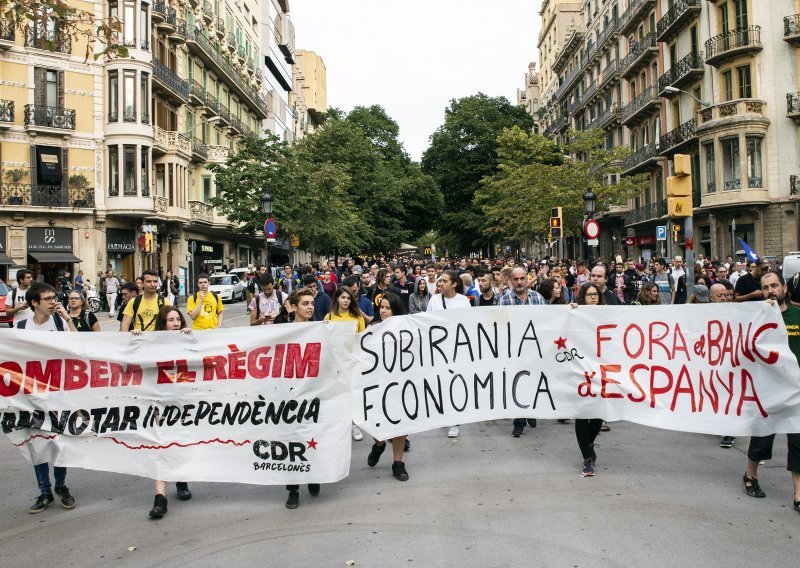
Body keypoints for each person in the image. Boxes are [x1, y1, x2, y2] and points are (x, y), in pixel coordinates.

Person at [742, 271, 800, 513]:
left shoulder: (798, 315)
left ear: (784, 288)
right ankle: (750, 474)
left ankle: (798, 492)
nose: (770, 291)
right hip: (767, 389)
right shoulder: (757, 318)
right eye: (765, 288)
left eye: (774, 285)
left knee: (798, 439)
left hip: (796, 389)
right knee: (763, 435)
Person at [18, 283, 77, 513]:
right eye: (48, 298)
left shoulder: (60, 323)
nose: (54, 301)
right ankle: (45, 492)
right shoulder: (21, 325)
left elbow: (81, 347)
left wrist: (68, 319)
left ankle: (61, 486)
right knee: (37, 444)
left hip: (58, 393)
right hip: (31, 395)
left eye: (55, 297)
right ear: (34, 302)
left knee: (59, 442)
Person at [138, 305, 193, 518]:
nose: (176, 323)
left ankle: (181, 481)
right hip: (159, 403)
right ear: (163, 323)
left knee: (179, 443)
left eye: (178, 319)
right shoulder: (152, 345)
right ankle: (160, 498)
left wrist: (191, 340)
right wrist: (136, 338)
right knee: (160, 447)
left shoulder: (188, 340)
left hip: (183, 404)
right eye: (171, 320)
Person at [280, 288, 322, 509]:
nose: (310, 307)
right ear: (294, 307)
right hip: (290, 395)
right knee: (291, 441)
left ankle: (313, 475)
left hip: (314, 394)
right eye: (305, 303)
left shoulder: (320, 329)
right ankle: (293, 488)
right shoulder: (283, 330)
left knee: (313, 437)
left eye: (312, 303)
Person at [365, 292, 411, 481]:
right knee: (373, 420)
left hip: (400, 382)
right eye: (381, 307)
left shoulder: (407, 327)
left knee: (399, 424)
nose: (383, 311)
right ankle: (379, 444)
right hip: (376, 382)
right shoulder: (373, 327)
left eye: (387, 308)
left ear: (396, 310)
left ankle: (398, 463)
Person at [498, 267, 546, 437]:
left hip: (534, 351)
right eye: (515, 279)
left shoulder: (538, 299)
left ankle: (531, 411)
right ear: (511, 280)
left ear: (527, 279)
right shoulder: (503, 301)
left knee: (533, 383)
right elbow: (497, 327)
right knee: (518, 384)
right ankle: (519, 421)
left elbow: (547, 322)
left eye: (522, 278)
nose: (519, 282)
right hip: (514, 352)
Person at [427, 269, 471, 438]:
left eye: (444, 281)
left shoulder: (463, 301)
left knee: (455, 382)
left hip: (457, 348)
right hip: (439, 348)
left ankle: (453, 421)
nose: (440, 284)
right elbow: (428, 322)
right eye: (440, 281)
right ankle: (444, 415)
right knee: (442, 383)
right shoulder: (434, 300)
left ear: (454, 284)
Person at [569, 282, 606, 477]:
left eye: (595, 295)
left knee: (599, 412)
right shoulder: (575, 313)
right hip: (580, 370)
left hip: (601, 370)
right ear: (582, 297)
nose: (593, 297)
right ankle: (587, 459)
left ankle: (590, 442)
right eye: (589, 295)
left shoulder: (607, 314)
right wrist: (571, 311)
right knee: (583, 413)